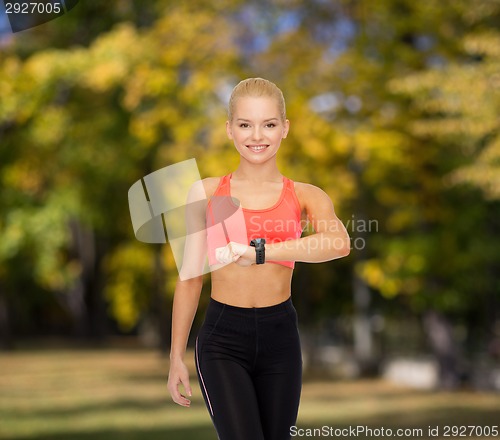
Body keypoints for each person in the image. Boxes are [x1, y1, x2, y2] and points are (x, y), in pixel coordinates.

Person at [167, 78, 350, 440]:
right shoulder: (205, 193)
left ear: (285, 129)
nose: (257, 135)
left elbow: (339, 243)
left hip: (280, 337)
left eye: (268, 124)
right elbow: (189, 278)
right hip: (222, 339)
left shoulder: (306, 195)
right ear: (229, 130)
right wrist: (175, 357)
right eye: (245, 124)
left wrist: (261, 253)